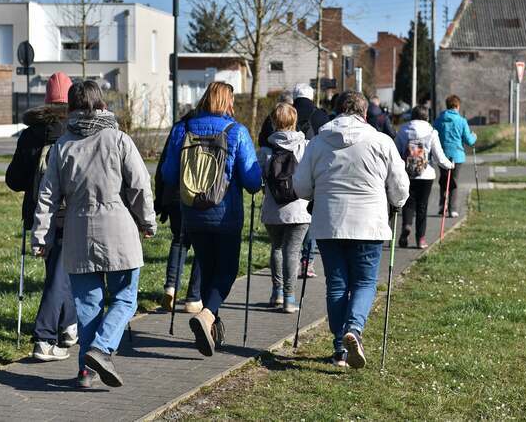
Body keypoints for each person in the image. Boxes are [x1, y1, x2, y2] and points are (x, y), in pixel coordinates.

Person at [31, 80, 156, 389]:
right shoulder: (119, 139)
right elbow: (140, 185)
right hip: (119, 231)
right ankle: (101, 348)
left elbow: (47, 196)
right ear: (102, 103)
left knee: (88, 307)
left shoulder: (62, 146)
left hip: (78, 233)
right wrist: (147, 221)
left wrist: (41, 238)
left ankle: (86, 371)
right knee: (125, 299)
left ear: (70, 108)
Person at [293, 90, 409, 369]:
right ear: (365, 113)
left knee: (336, 284)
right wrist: (397, 202)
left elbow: (300, 186)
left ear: (335, 111)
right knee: (365, 282)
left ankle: (338, 348)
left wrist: (315, 194)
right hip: (369, 223)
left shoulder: (318, 142)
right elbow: (400, 186)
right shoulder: (381, 141)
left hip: (329, 222)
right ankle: (353, 329)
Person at [161, 82, 262, 357]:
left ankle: (211, 328)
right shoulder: (236, 132)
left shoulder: (183, 129)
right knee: (227, 270)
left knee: (206, 267)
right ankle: (207, 316)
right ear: (228, 103)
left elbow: (169, 174)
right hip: (225, 215)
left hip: (192, 212)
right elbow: (253, 181)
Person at [5, 72, 77, 362]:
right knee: (62, 273)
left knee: (59, 271)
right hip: (69, 213)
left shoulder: (31, 134)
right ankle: (44, 338)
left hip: (39, 212)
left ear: (46, 99)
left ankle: (68, 325)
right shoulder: (76, 130)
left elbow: (14, 180)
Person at [258, 103, 310, 313]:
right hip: (299, 207)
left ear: (273, 122)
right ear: (294, 121)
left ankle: (276, 292)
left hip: (273, 208)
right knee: (293, 250)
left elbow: (258, 177)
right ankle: (290, 297)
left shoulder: (265, 150)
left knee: (277, 248)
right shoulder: (305, 145)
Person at [155, 110, 203, 314]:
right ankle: (193, 297)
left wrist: (160, 198)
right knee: (202, 245)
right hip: (199, 193)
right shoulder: (209, 128)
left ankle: (171, 287)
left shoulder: (178, 128)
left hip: (175, 192)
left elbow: (164, 165)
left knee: (179, 240)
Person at [395, 105, 454, 249]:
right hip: (426, 174)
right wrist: (449, 165)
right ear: (426, 117)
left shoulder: (403, 130)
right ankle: (420, 238)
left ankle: (406, 227)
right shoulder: (431, 132)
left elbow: (395, 151)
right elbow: (439, 157)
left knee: (408, 203)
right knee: (422, 206)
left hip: (407, 172)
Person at [433, 94, 477, 218]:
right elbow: (469, 140)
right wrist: (474, 137)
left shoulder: (439, 120)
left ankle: (442, 205)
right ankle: (453, 209)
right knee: (454, 181)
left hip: (442, 154)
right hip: (457, 155)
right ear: (457, 106)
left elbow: (433, 135)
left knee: (443, 180)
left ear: (447, 106)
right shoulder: (462, 121)